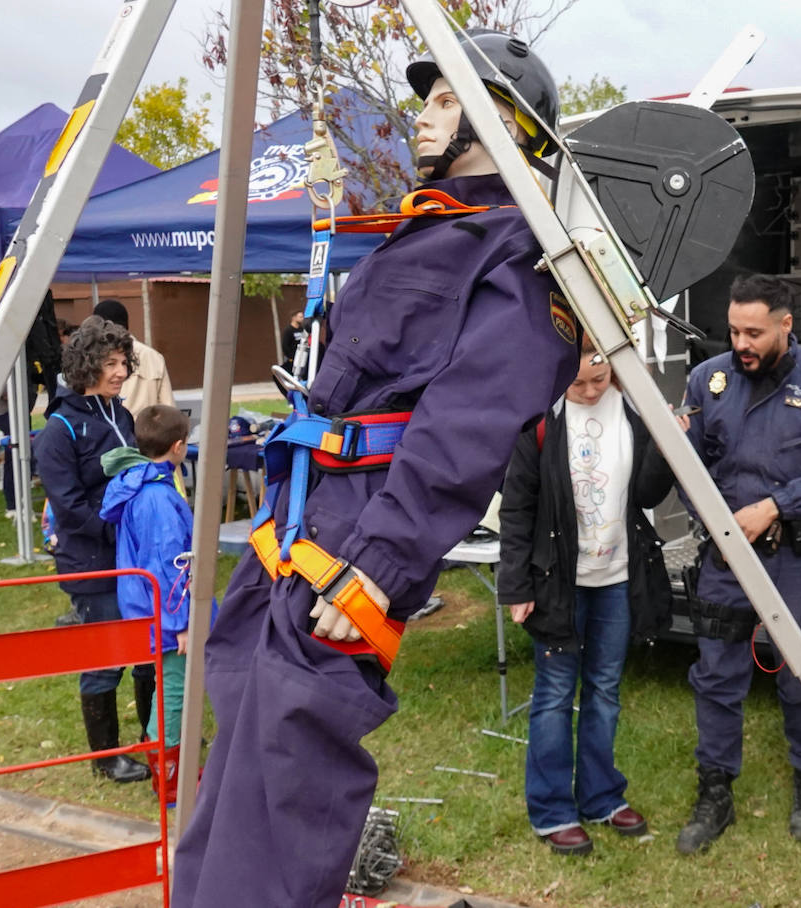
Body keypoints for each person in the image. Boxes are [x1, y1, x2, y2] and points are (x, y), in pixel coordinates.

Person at [172, 32, 578, 908]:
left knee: (281, 800)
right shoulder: (426, 232)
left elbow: (463, 428)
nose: (422, 114)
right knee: (232, 779)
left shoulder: (514, 250)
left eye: (442, 100)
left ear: (504, 121)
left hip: (348, 556)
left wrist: (384, 572)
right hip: (289, 540)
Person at [673, 273, 801, 854]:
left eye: (754, 332)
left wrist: (775, 506)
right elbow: (688, 461)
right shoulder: (706, 381)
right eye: (733, 331)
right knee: (716, 675)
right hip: (726, 561)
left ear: (786, 324)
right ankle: (715, 790)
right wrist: (715, 520)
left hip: (799, 559)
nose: (741, 344)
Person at [497, 337, 675, 856]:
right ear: (558, 375)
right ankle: (553, 812)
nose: (592, 390)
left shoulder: (633, 412)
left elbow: (644, 494)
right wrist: (515, 584)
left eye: (601, 379)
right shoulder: (539, 422)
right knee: (554, 696)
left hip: (617, 579)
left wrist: (665, 448)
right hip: (558, 584)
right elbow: (517, 510)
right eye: (579, 382)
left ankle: (601, 797)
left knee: (604, 691)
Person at [32, 315, 153, 784]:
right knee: (105, 660)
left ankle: (152, 733)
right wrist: (116, 531)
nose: (121, 371)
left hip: (137, 561)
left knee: (147, 650)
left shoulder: (121, 414)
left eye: (124, 361)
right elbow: (70, 507)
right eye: (110, 363)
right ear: (86, 366)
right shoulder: (59, 430)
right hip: (94, 564)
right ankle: (106, 758)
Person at [100, 404, 205, 806]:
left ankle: (169, 764)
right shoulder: (159, 498)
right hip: (165, 615)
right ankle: (172, 780)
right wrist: (180, 623)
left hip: (150, 610)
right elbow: (168, 564)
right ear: (178, 447)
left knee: (169, 689)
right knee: (174, 693)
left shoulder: (142, 484)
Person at [92, 299, 175, 415]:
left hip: (111, 429)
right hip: (146, 431)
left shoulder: (94, 355)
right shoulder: (154, 357)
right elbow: (169, 410)